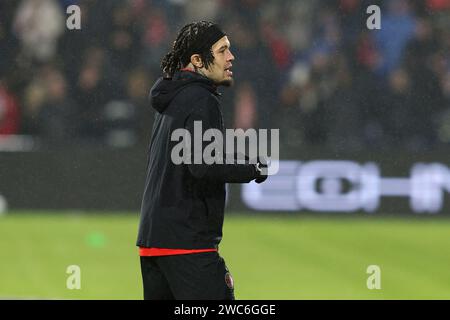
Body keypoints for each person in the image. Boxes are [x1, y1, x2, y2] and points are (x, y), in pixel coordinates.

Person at [136, 21, 268, 300]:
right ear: (197, 60)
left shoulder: (171, 97)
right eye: (222, 51)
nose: (231, 57)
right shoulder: (200, 98)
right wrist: (253, 168)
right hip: (188, 243)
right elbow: (203, 164)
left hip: (154, 242)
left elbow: (195, 154)